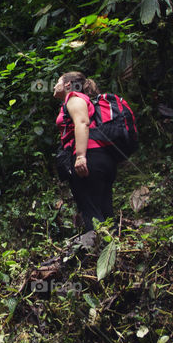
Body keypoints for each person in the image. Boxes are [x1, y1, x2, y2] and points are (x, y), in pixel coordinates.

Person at [53, 72, 118, 239]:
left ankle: (100, 253)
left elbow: (82, 123)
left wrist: (81, 156)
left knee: (90, 210)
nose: (54, 86)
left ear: (68, 85)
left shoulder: (74, 98)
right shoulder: (83, 99)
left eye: (58, 82)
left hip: (89, 157)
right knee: (104, 210)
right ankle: (117, 249)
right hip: (101, 157)